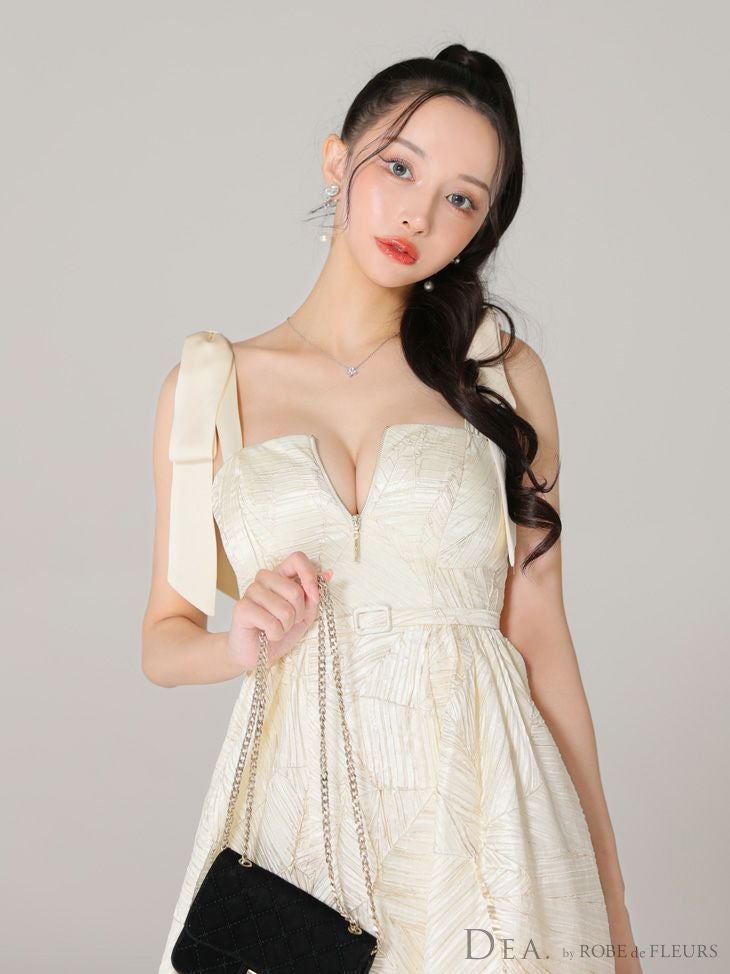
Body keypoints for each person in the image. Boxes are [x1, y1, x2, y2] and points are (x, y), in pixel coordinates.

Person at [143, 43, 641, 974]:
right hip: (299, 812)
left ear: (480, 228)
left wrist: (610, 901)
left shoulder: (500, 376)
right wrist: (239, 643)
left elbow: (541, 634)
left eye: (462, 199)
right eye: (400, 168)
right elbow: (163, 640)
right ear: (337, 160)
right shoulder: (209, 385)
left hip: (485, 816)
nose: (419, 214)